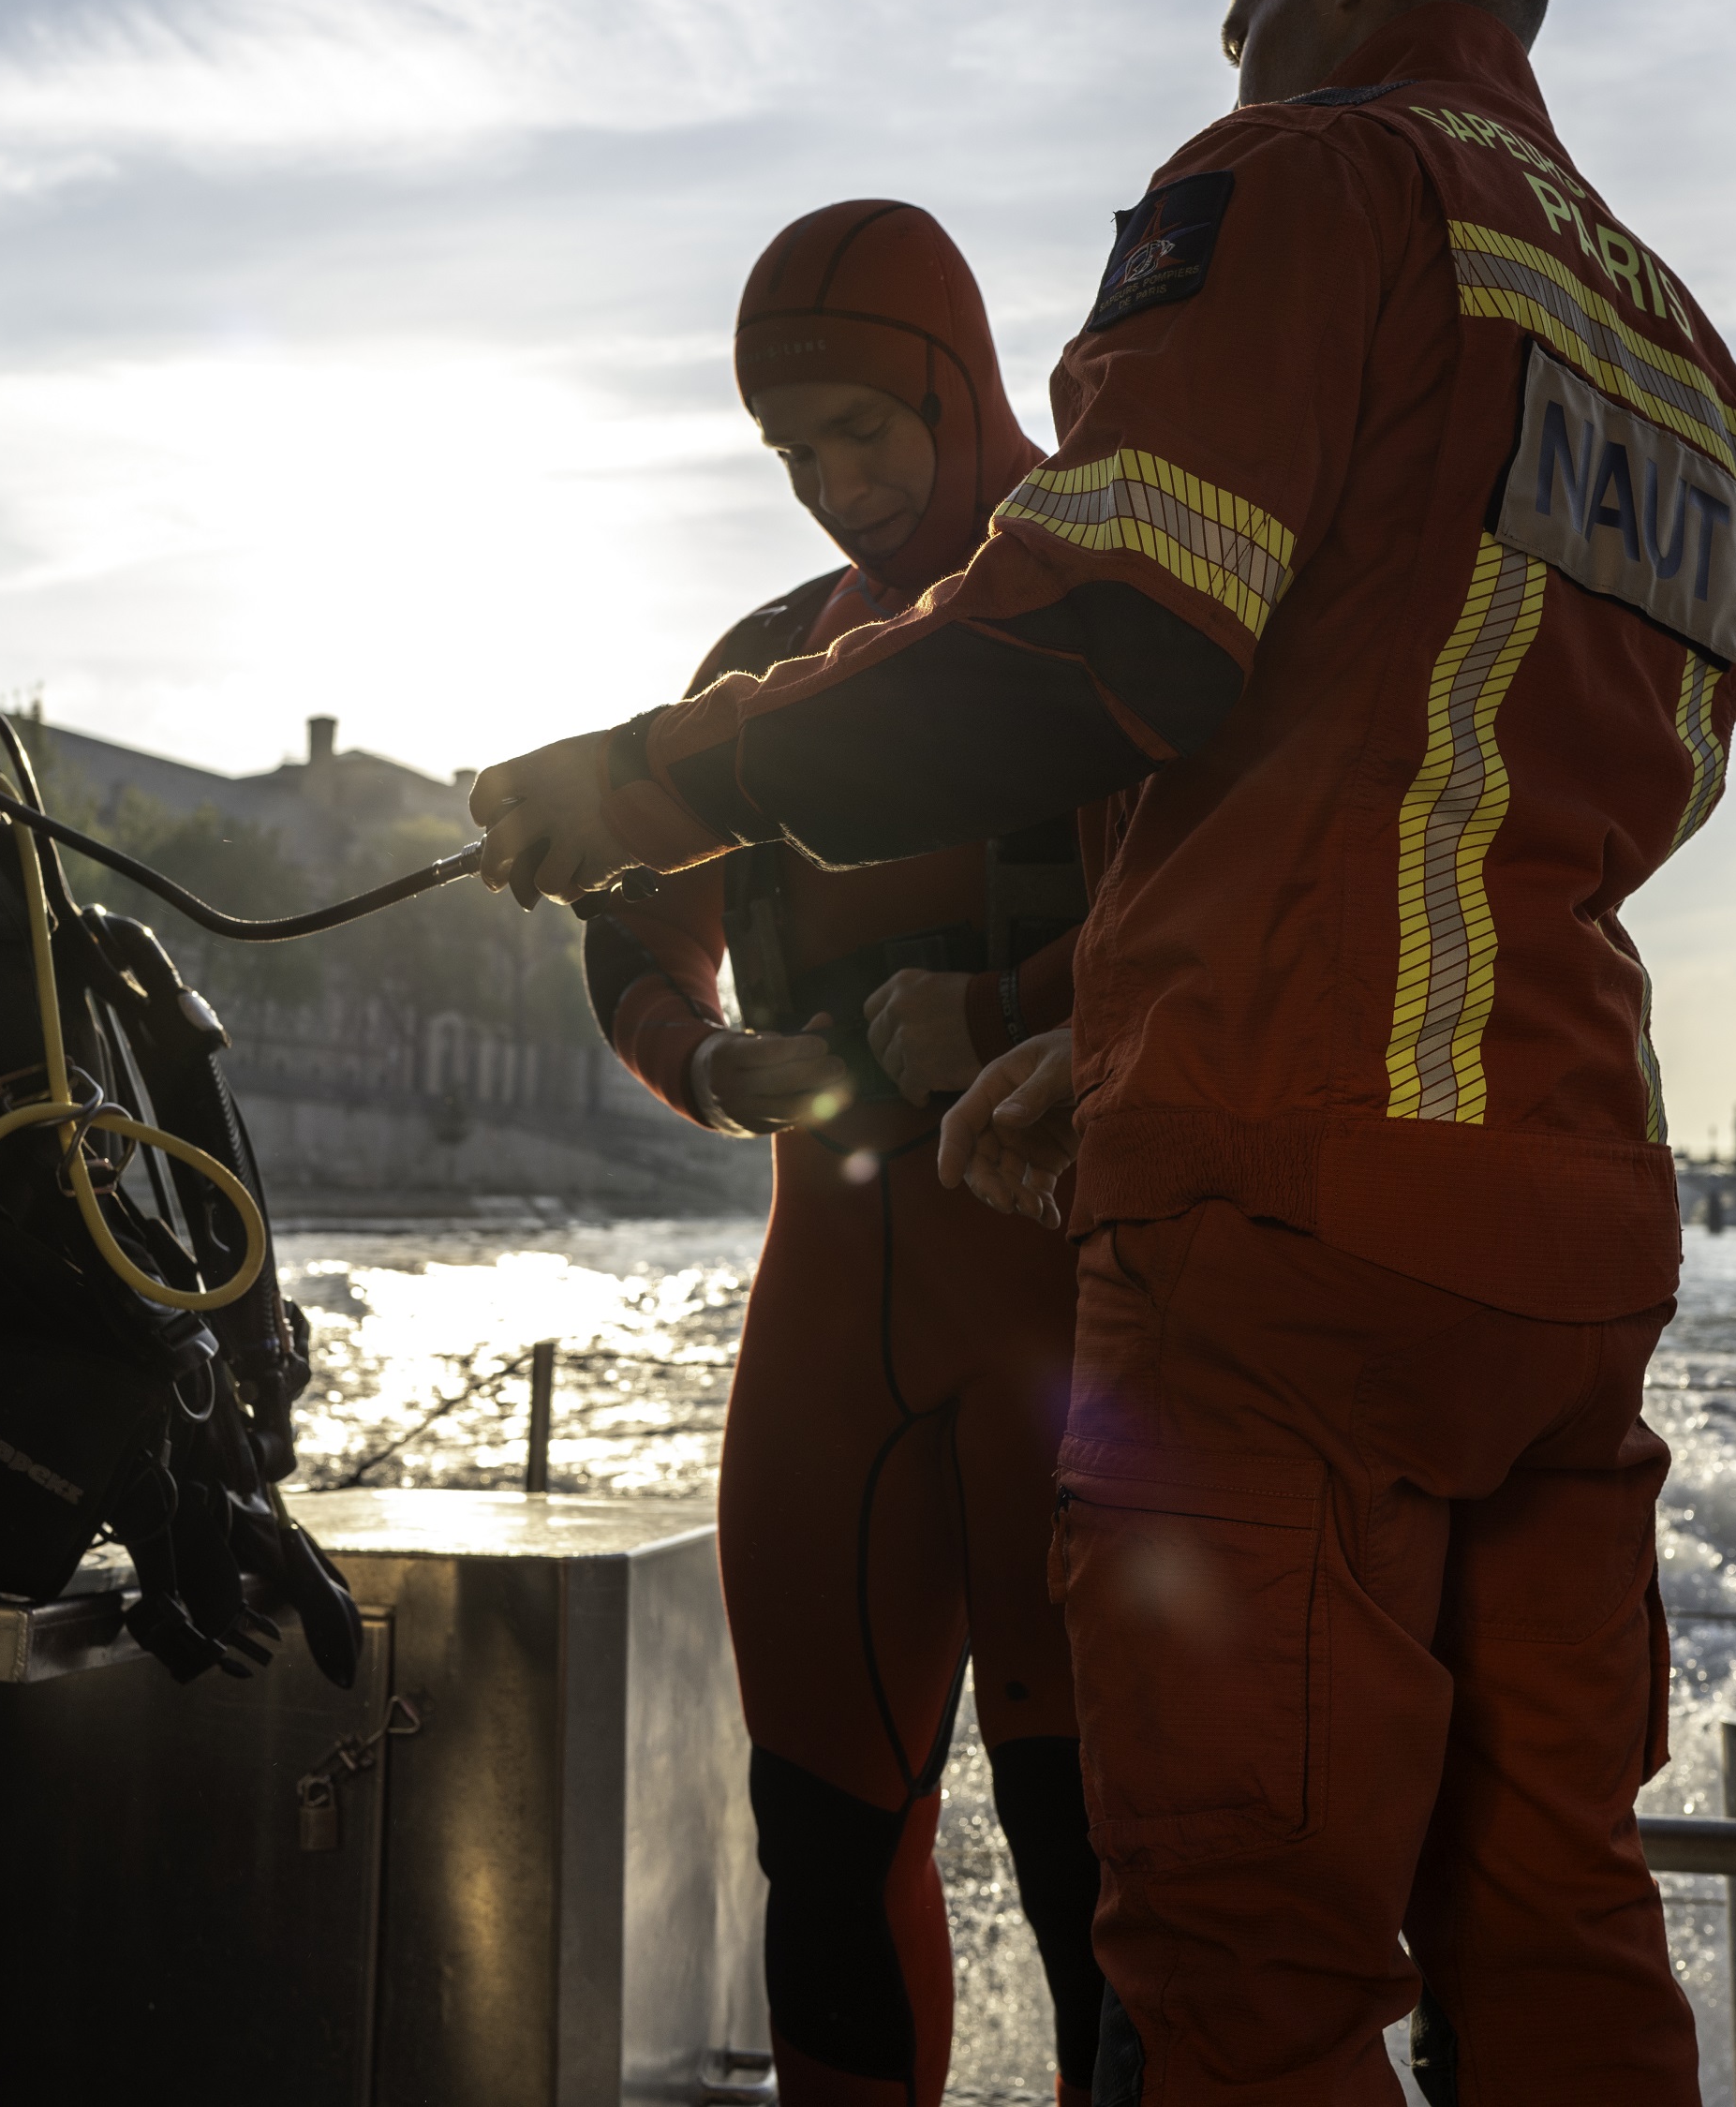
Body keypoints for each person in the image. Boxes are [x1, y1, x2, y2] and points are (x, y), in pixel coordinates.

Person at [472, 0, 1736, 2103]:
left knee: (1236, 1963)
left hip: (1276, 1202)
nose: (1243, 58)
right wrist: (1053, 1018)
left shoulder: (1309, 178)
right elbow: (1603, 783)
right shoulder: (1690, 373)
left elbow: (1106, 631)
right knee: (1551, 1915)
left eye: (1249, 11)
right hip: (1565, 1214)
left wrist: (650, 779)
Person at [587, 200, 1107, 2107]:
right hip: (825, 1331)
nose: (832, 487)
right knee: (816, 1841)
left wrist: (1007, 1004)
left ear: (957, 385)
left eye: (864, 435)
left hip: (1071, 1327)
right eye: (792, 454)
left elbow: (1229, 901)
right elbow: (628, 925)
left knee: (1097, 1874)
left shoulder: (1100, 610)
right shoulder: (753, 670)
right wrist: (716, 1061)